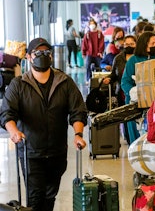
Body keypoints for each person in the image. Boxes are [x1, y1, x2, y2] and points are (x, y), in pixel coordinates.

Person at [0, 38, 87, 211]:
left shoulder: (65, 82)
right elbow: (6, 112)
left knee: (50, 195)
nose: (42, 56)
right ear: (29, 57)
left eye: (46, 52)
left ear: (52, 56)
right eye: (37, 53)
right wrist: (14, 131)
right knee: (35, 196)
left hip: (57, 151)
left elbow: (78, 110)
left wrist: (78, 135)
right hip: (31, 152)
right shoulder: (19, 85)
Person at [121, 31, 155, 143]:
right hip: (137, 104)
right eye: (153, 43)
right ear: (144, 44)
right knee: (137, 138)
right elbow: (125, 82)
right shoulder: (133, 60)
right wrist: (134, 92)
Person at [103, 35, 136, 144]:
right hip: (121, 93)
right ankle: (128, 139)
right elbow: (114, 74)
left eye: (132, 44)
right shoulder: (118, 58)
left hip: (136, 93)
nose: (129, 46)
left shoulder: (139, 58)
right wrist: (109, 79)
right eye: (127, 44)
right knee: (125, 118)